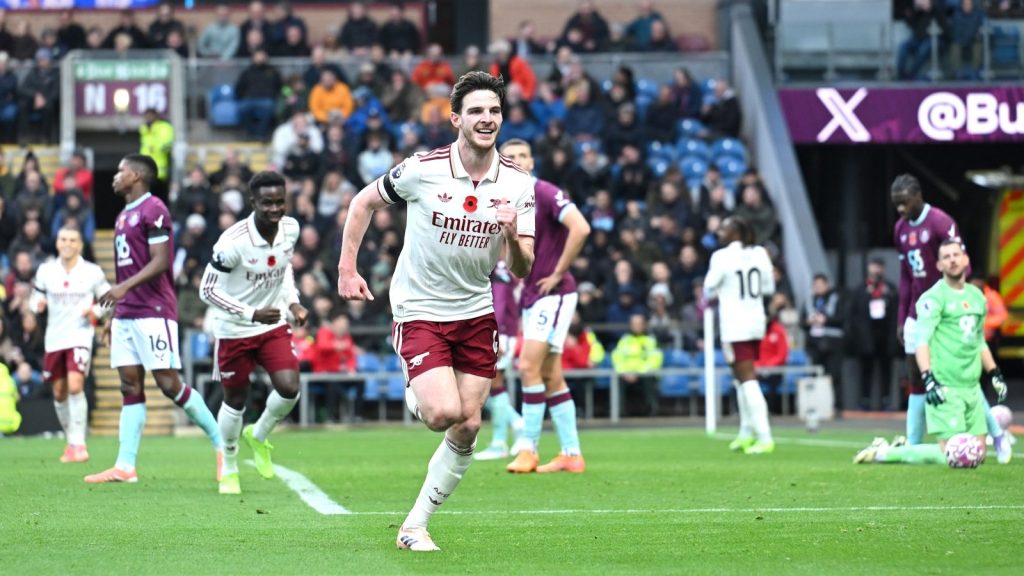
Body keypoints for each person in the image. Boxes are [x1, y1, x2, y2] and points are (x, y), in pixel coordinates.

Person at [337, 71, 535, 552]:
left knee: (468, 424)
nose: (486, 119)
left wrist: (511, 234)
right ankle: (418, 386)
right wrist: (347, 269)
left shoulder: (518, 184)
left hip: (475, 309)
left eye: (493, 111)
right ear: (455, 120)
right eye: (476, 112)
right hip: (420, 305)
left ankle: (415, 526)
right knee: (441, 412)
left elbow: (523, 267)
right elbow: (364, 202)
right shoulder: (422, 169)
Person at [84, 154, 223, 484]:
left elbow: (162, 262)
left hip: (154, 312)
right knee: (128, 385)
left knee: (168, 384)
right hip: (127, 315)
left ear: (135, 175)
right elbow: (128, 268)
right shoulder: (123, 215)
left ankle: (222, 444)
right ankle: (125, 466)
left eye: (119, 171)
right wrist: (115, 312)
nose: (114, 177)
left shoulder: (154, 208)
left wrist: (122, 289)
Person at [198, 171, 308, 495]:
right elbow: (207, 290)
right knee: (235, 400)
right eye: (267, 203)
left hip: (273, 324)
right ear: (253, 203)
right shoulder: (233, 242)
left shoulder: (291, 228)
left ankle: (258, 436)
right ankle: (229, 467)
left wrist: (293, 303)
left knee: (290, 389)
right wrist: (250, 313)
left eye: (279, 202)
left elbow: (283, 267)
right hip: (234, 329)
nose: (275, 209)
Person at [855, 240, 1009, 465]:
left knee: (978, 455)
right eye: (946, 257)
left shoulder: (977, 297)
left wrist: (994, 371)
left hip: (971, 387)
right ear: (938, 265)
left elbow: (979, 342)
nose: (952, 260)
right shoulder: (932, 298)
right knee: (951, 455)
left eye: (956, 255)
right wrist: (928, 377)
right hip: (945, 386)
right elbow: (922, 341)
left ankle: (898, 448)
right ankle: (885, 452)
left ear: (965, 260)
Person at [889, 173, 1009, 455]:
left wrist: (956, 302)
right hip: (917, 311)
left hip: (946, 310)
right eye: (896, 205)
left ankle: (996, 433)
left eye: (904, 203)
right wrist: (902, 317)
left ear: (917, 196)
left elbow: (960, 267)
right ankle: (914, 445)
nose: (901, 210)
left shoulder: (941, 222)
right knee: (915, 377)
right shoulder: (900, 229)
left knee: (959, 377)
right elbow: (906, 276)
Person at [501, 138, 591, 474]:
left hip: (552, 292)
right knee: (551, 374)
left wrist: (558, 272)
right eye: (510, 156)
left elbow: (581, 228)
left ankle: (529, 448)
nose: (518, 161)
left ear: (533, 161)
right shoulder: (506, 198)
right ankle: (571, 453)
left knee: (527, 367)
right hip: (533, 294)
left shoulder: (544, 192)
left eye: (524, 155)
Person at [29, 226, 109, 463]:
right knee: (59, 392)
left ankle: (79, 444)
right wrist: (37, 305)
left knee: (75, 386)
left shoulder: (92, 272)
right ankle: (71, 441)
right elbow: (35, 297)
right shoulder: (46, 271)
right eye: (63, 239)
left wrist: (95, 311)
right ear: (57, 243)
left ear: (80, 245)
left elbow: (109, 298)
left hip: (79, 336)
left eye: (72, 240)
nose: (67, 243)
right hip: (54, 337)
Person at [703, 216, 775, 454]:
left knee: (747, 379)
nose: (719, 232)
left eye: (723, 228)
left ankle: (764, 436)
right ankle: (746, 432)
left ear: (735, 233)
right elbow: (768, 288)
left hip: (735, 324)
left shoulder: (721, 256)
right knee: (740, 379)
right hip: (756, 320)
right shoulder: (760, 253)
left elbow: (709, 287)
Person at [474, 258, 525, 460]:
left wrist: (496, 332)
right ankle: (516, 423)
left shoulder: (500, 266)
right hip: (503, 330)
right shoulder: (502, 265)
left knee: (493, 384)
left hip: (501, 332)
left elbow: (502, 300)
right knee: (485, 386)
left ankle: (499, 442)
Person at [848, 258, 898, 411]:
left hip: (885, 335)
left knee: (886, 370)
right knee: (865, 370)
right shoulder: (860, 289)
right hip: (867, 336)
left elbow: (896, 311)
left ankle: (886, 400)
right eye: (874, 267)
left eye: (879, 267)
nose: (876, 270)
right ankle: (864, 400)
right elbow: (853, 314)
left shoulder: (889, 288)